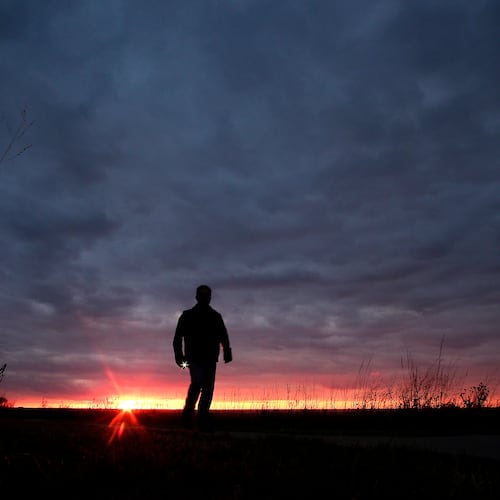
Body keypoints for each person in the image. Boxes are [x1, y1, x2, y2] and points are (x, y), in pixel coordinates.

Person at [173, 284, 232, 430]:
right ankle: (188, 416)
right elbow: (177, 337)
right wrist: (179, 356)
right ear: (197, 297)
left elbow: (223, 335)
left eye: (208, 295)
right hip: (193, 358)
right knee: (197, 383)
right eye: (202, 294)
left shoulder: (215, 317)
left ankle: (202, 418)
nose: (205, 297)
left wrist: (227, 351)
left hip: (210, 358)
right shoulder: (187, 316)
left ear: (210, 297)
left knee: (208, 388)